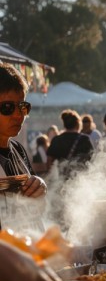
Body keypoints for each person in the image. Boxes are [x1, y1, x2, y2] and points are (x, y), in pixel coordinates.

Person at [0, 63, 48, 231]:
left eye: (22, 106)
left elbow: (35, 195)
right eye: (7, 107)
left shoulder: (18, 150)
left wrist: (40, 185)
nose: (18, 114)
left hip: (26, 249)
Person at [46, 109, 94, 176]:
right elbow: (91, 160)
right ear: (78, 124)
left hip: (61, 179)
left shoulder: (57, 140)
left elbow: (49, 162)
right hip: (80, 179)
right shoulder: (84, 139)